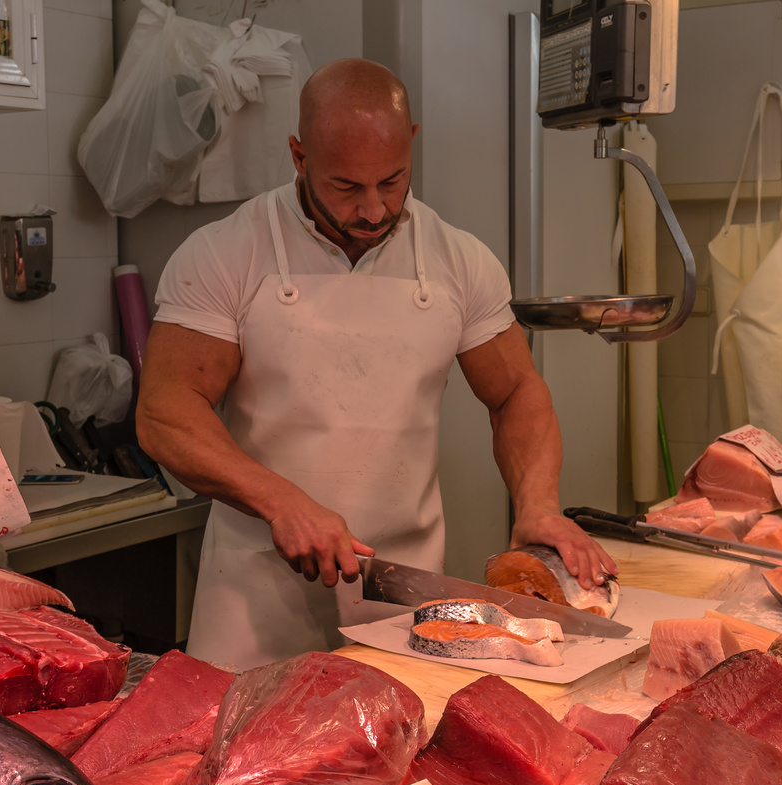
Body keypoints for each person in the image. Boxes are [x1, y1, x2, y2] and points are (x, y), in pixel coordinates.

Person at [137, 58, 615, 671]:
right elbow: (165, 411)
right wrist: (281, 501)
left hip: (405, 597)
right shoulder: (225, 253)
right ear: (299, 157)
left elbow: (516, 391)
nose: (372, 209)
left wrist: (539, 503)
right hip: (254, 603)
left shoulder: (459, 260)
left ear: (412, 142)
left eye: (391, 182)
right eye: (345, 187)